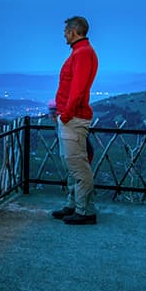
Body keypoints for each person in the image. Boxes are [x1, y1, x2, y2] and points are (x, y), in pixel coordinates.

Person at [50, 16, 99, 224]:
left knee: (78, 166)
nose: (63, 35)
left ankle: (85, 211)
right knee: (70, 165)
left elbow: (77, 90)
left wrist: (66, 115)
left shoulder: (83, 54)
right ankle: (73, 205)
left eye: (66, 31)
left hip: (74, 118)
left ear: (73, 32)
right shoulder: (79, 53)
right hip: (69, 117)